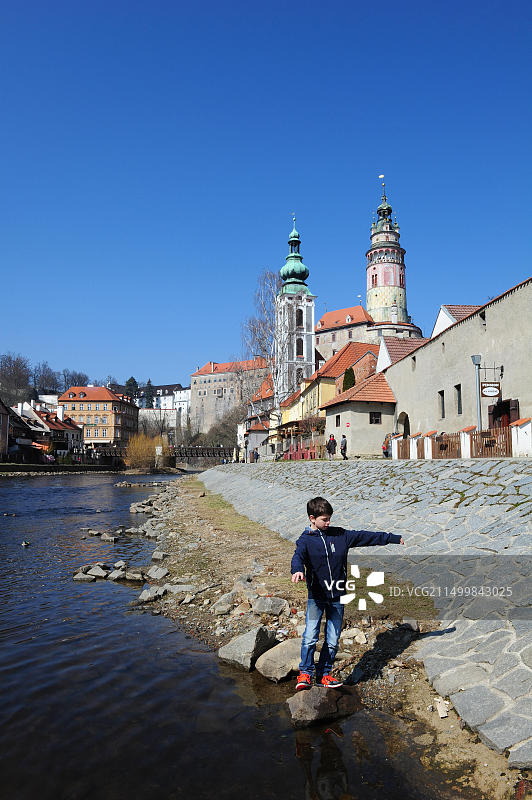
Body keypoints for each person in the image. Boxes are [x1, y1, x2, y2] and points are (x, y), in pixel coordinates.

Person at [291, 496, 405, 690]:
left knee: (333, 638)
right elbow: (298, 556)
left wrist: (391, 538)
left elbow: (365, 537)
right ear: (312, 518)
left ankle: (325, 674)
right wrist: (297, 570)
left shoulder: (340, 535)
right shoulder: (305, 540)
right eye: (324, 520)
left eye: (329, 519)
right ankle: (306, 673)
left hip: (337, 597)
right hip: (317, 598)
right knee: (310, 636)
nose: (328, 523)